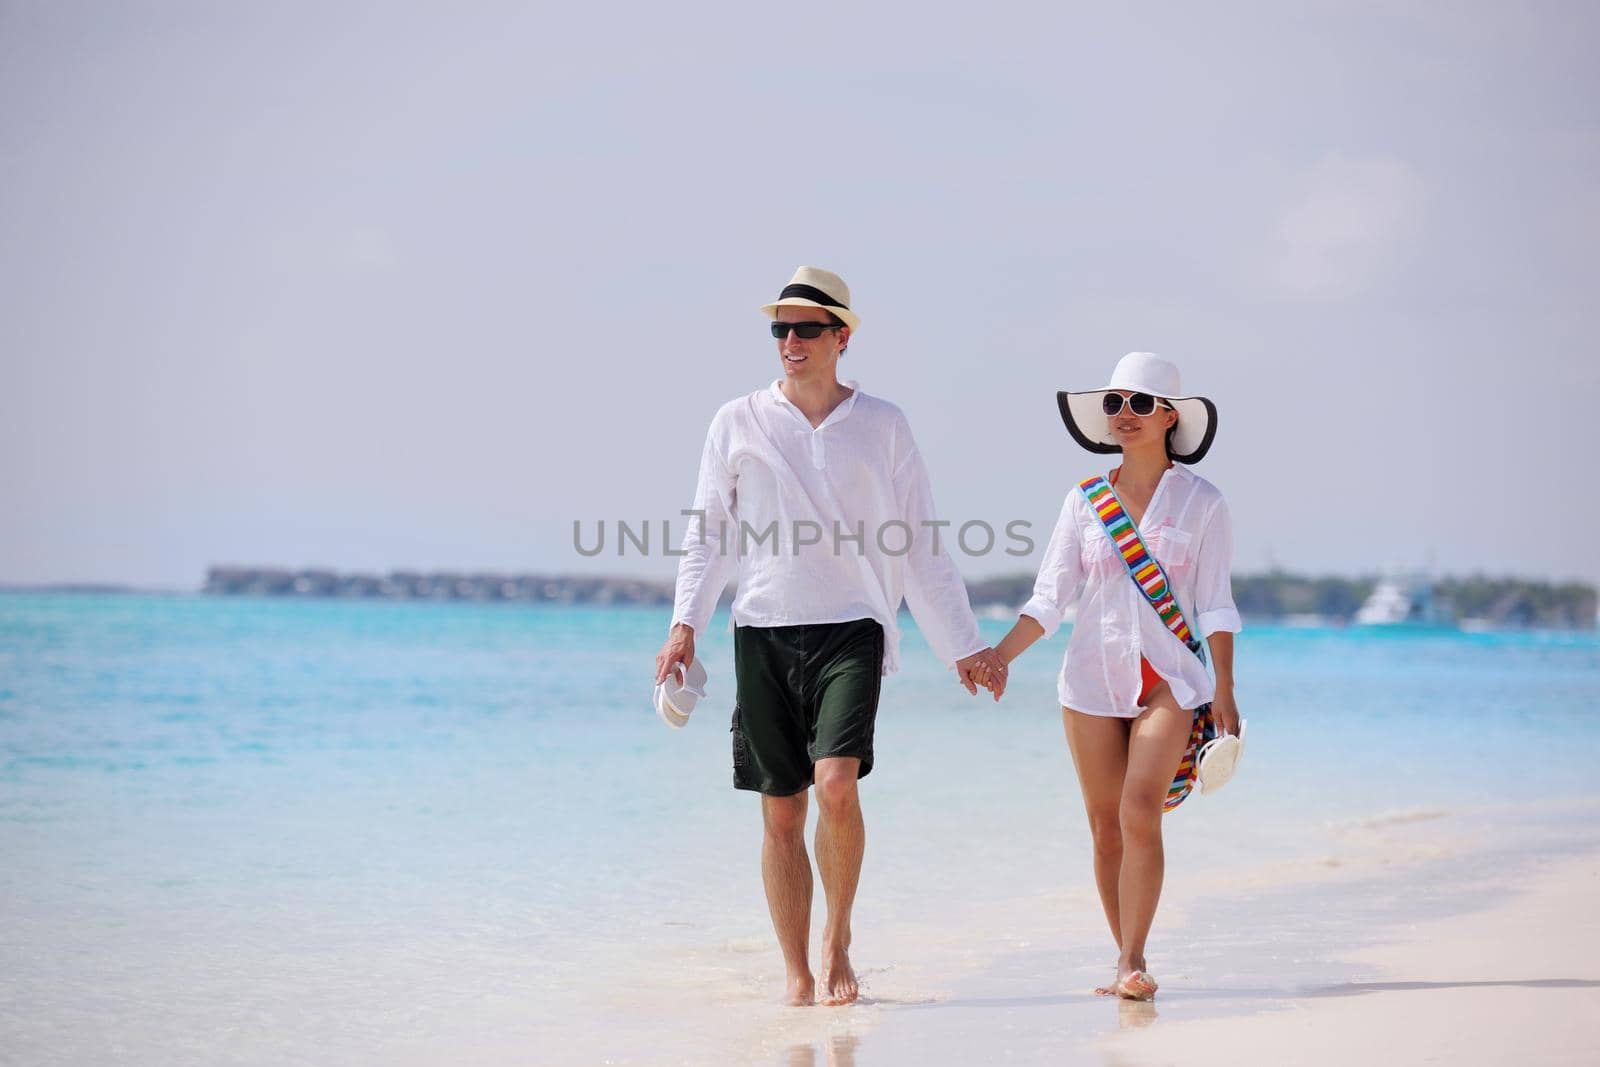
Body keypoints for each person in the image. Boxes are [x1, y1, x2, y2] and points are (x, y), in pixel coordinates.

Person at [653, 266, 1006, 1007]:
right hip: (762, 629)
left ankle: (838, 937)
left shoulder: (884, 424)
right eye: (779, 327)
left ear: (842, 336)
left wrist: (964, 644)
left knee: (835, 785)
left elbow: (919, 542)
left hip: (853, 626)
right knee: (782, 810)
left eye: (805, 327)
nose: (789, 341)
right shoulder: (736, 421)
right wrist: (686, 622)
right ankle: (797, 972)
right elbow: (709, 533)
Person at [979, 351, 1241, 1002]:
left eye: (1140, 404)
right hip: (1090, 682)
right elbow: (1049, 597)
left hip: (1170, 684)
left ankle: (1133, 960)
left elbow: (1215, 604)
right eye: (1116, 403)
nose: (1124, 414)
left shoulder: (1203, 503)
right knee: (1103, 825)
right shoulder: (1085, 500)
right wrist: (998, 656)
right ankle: (1124, 955)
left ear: (1169, 416)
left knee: (1138, 809)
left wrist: (1227, 688)